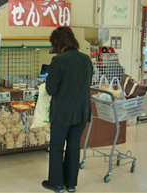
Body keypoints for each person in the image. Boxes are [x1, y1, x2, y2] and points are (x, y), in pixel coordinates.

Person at [42, 27, 93, 193]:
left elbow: (51, 89)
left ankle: (56, 183)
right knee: (73, 147)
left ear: (57, 43)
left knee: (56, 147)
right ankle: (71, 184)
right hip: (82, 112)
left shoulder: (59, 61)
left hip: (62, 114)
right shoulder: (86, 59)